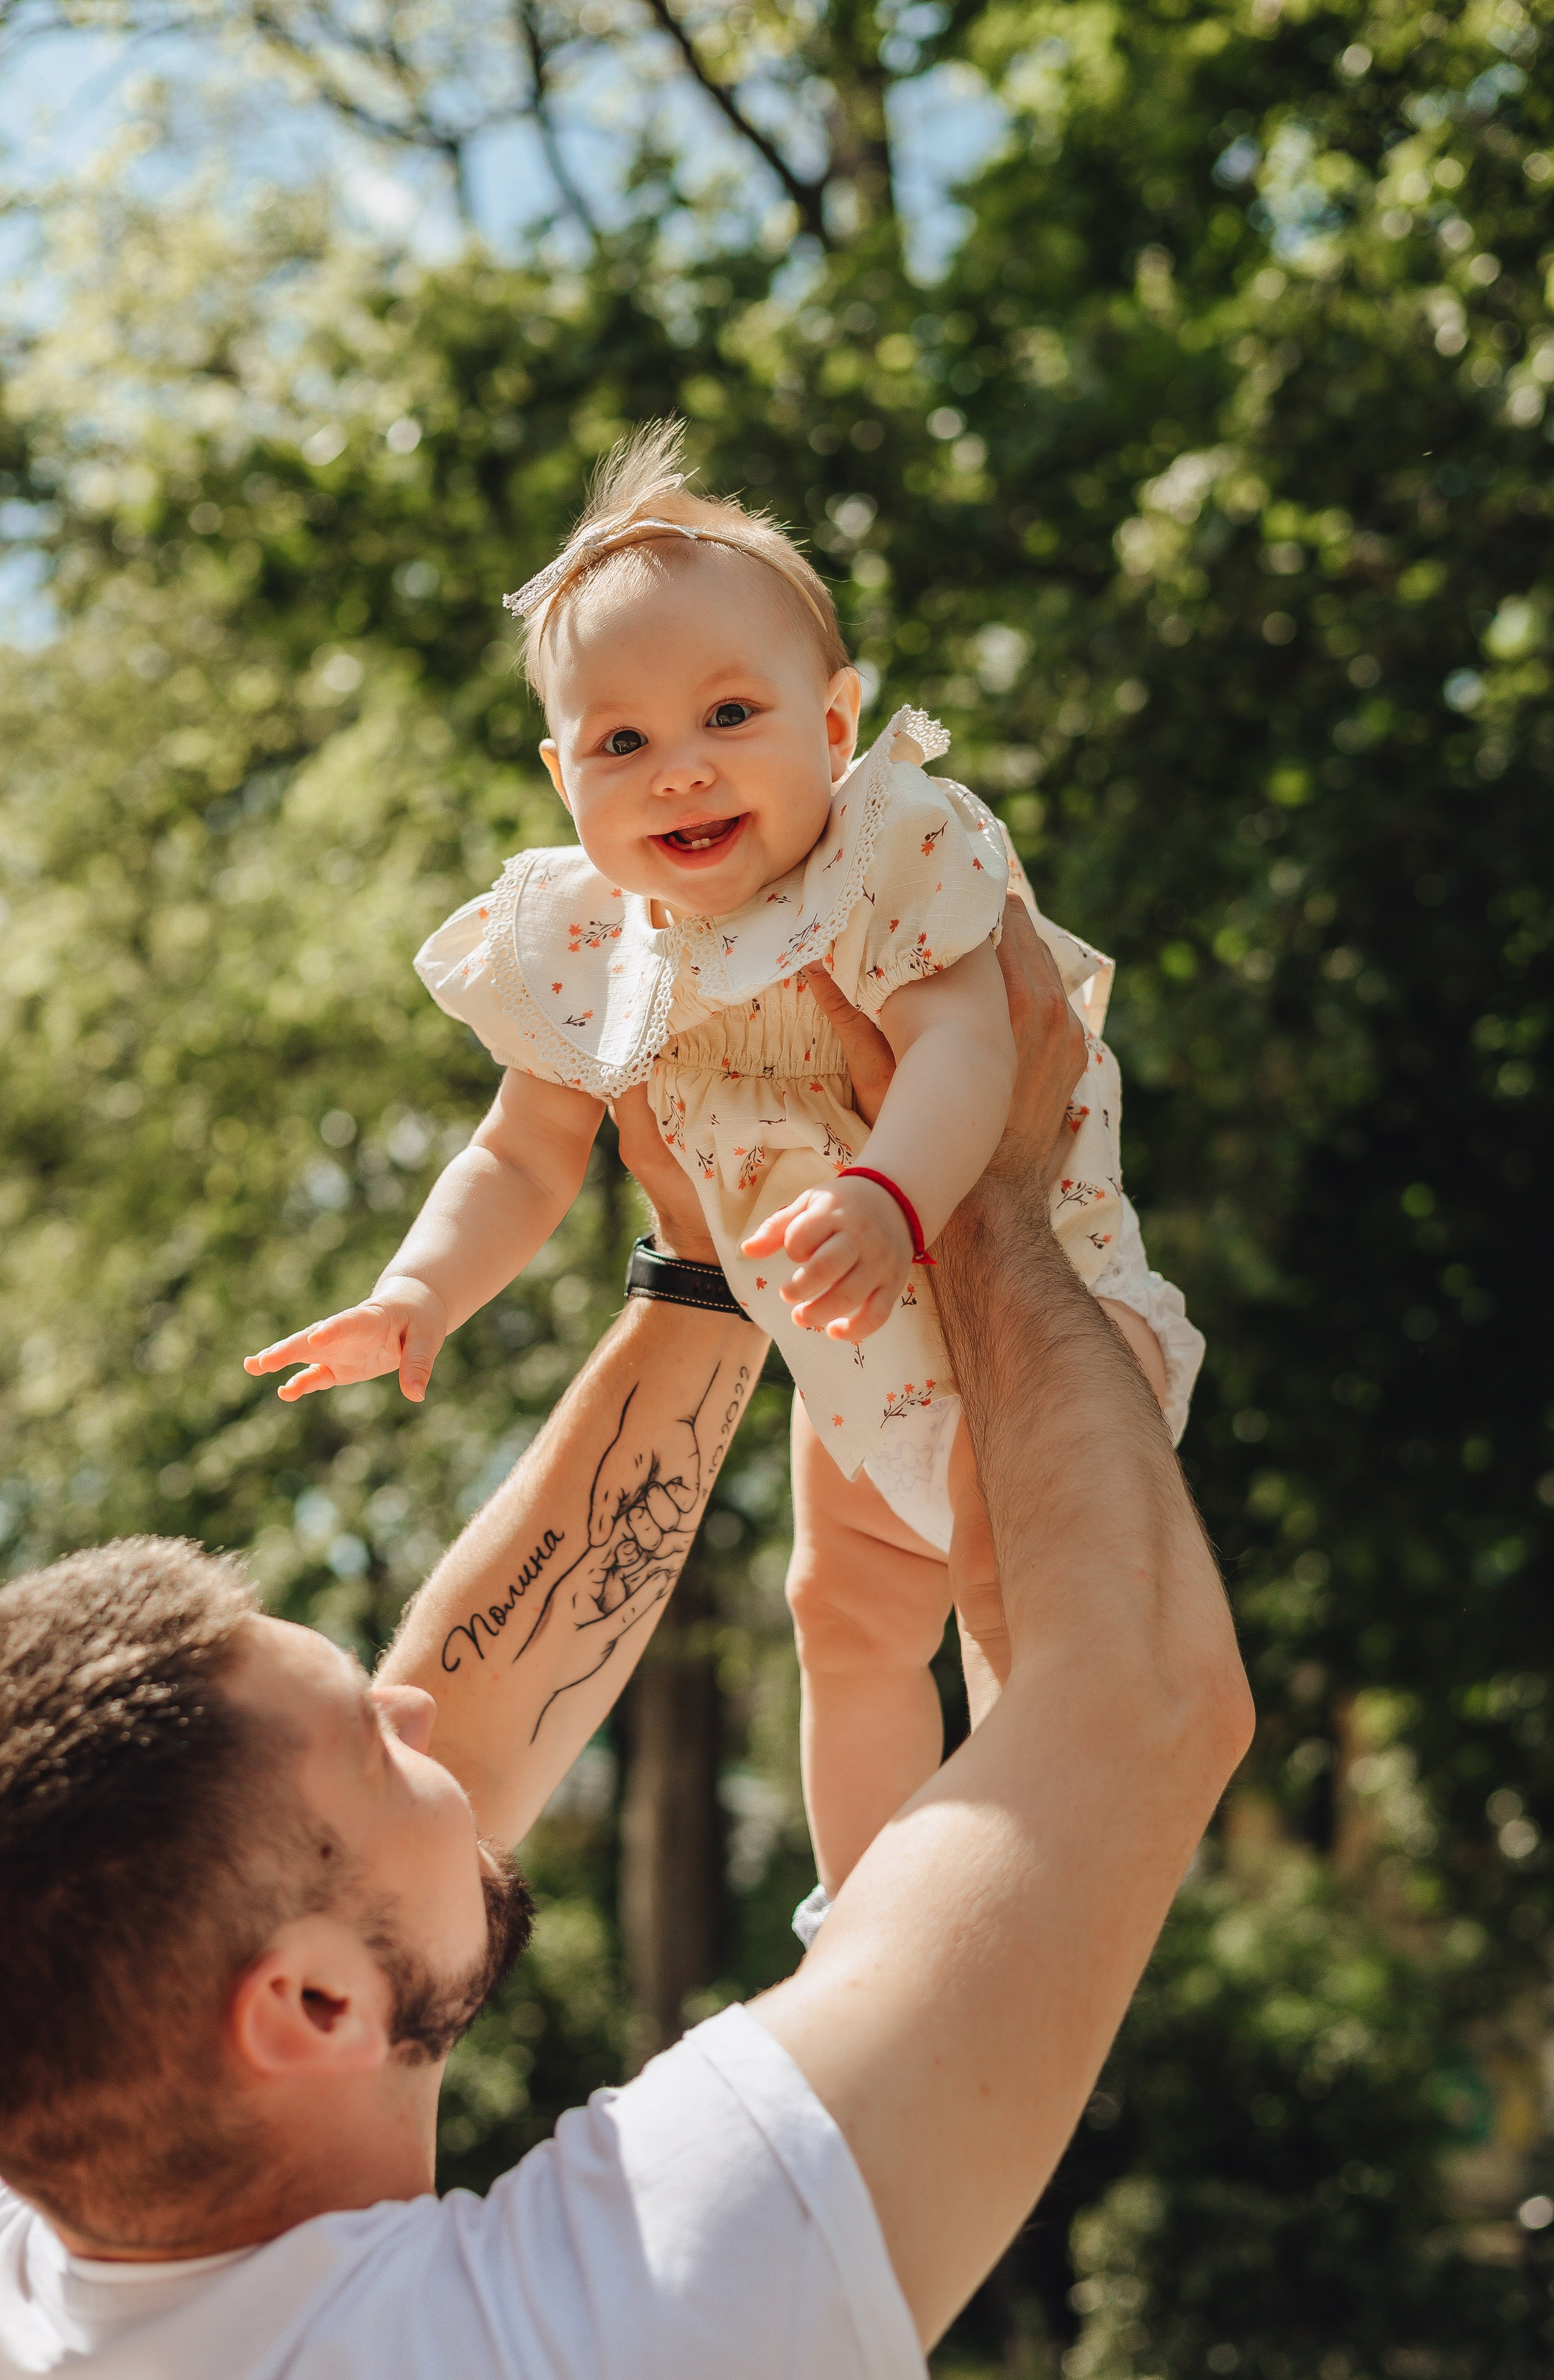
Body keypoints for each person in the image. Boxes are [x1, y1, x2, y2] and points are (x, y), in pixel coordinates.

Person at [0, 906, 1252, 2378]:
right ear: (314, 2005)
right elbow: (1138, 1696)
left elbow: (431, 1760)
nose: (419, 1722)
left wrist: (710, 1263)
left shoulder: (56, 2239)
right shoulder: (603, 2325)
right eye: (370, 1743)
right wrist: (978, 1186)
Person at [245, 419, 1206, 1903]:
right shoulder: (584, 943)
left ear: (836, 722)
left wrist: (889, 1191)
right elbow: (522, 1149)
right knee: (839, 1611)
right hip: (846, 1346)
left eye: (728, 717)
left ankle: (1039, 1896)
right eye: (622, 744)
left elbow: (968, 1051)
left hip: (1028, 1310)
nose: (677, 773)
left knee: (1021, 1610)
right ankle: (865, 1918)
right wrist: (418, 1290)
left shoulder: (887, 850)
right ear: (562, 774)